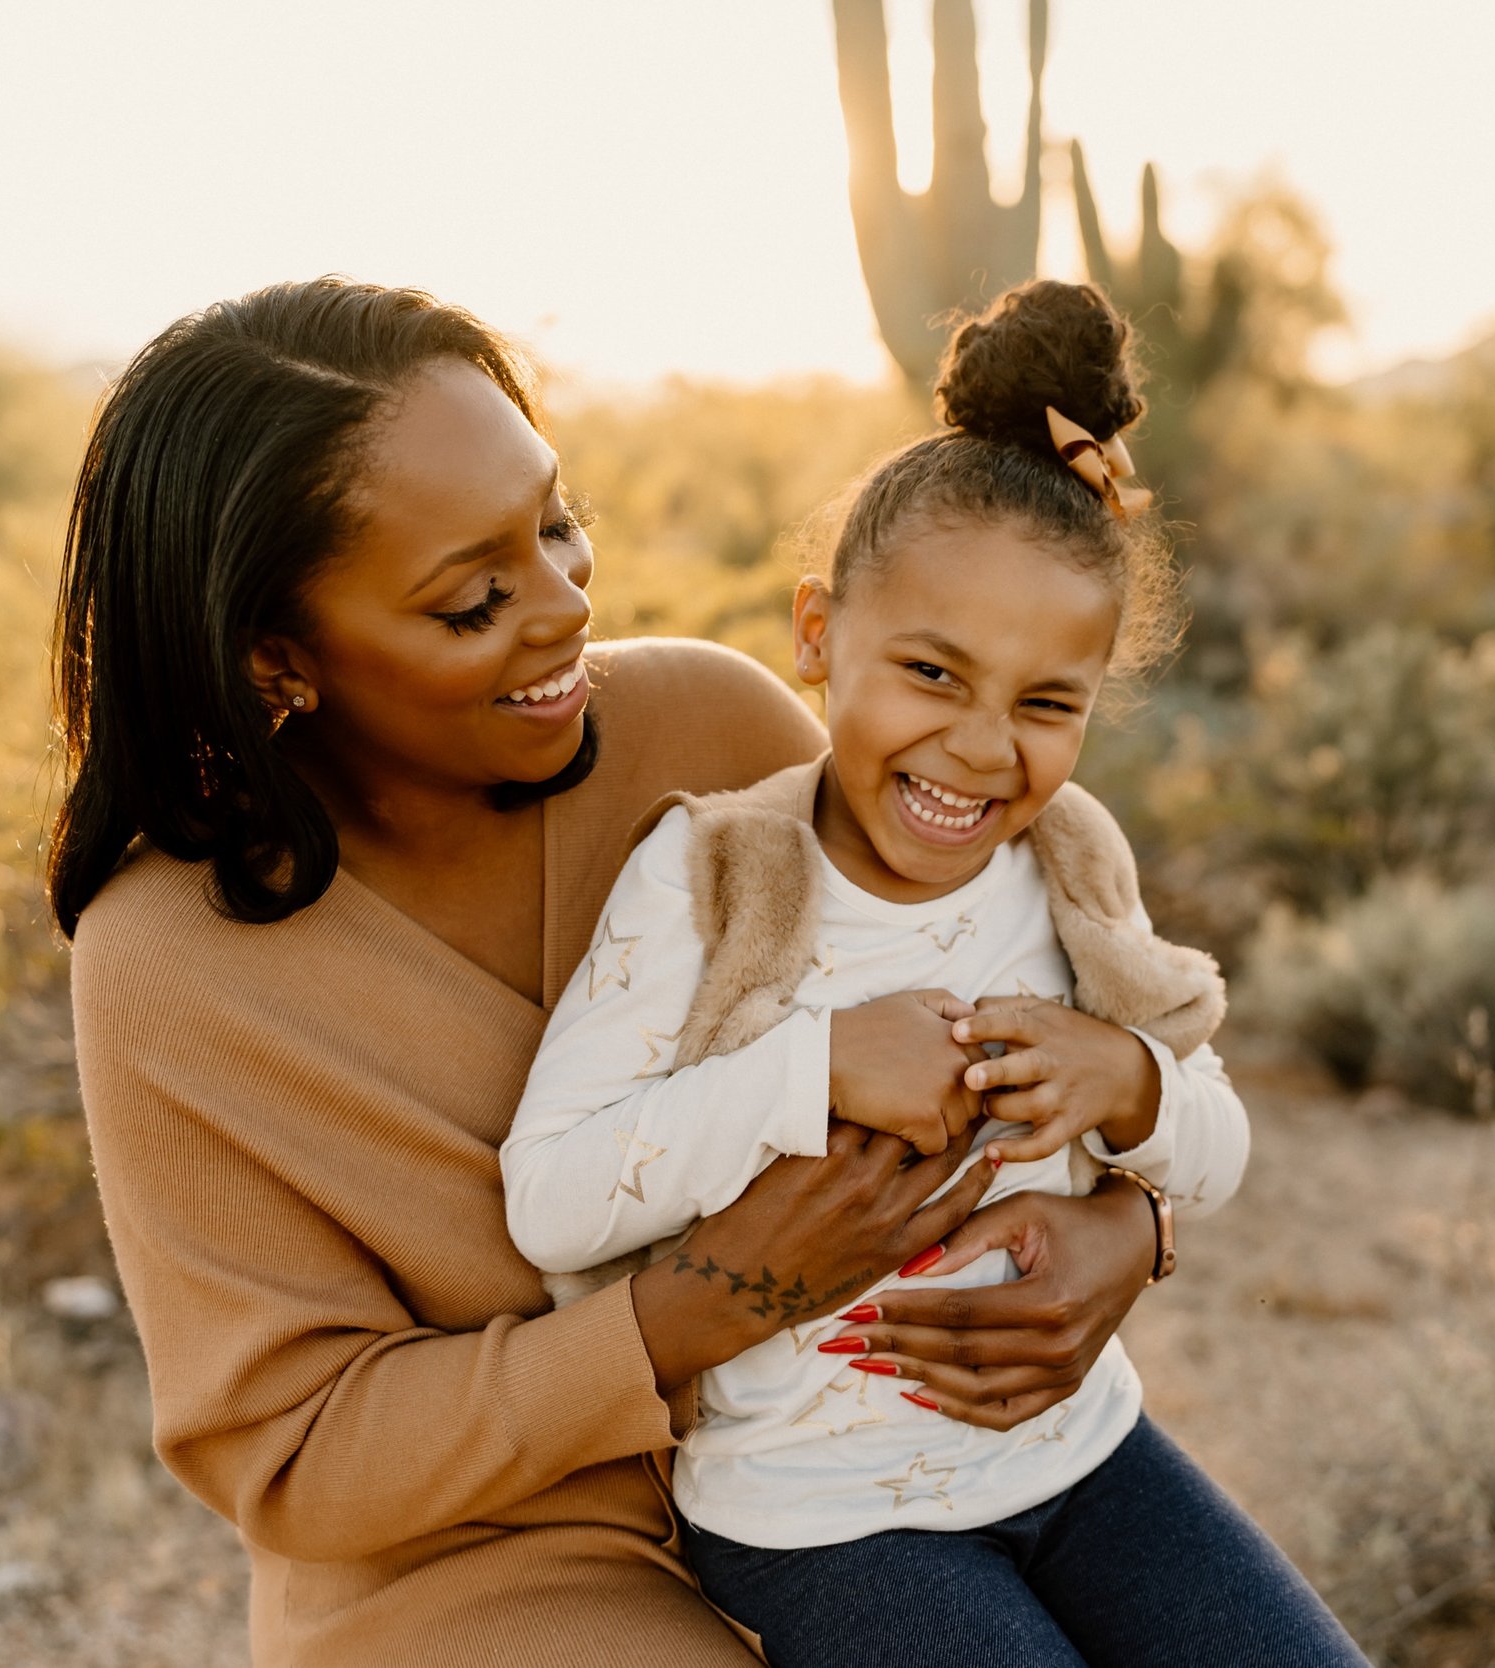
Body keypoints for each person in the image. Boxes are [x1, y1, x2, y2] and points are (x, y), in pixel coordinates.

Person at [51, 278, 1182, 1668]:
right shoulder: (172, 962)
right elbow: (298, 1455)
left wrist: (1129, 1229)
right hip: (486, 1576)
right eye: (477, 600)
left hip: (878, 1470)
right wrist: (689, 1316)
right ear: (277, 656)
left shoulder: (712, 725)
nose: (566, 604)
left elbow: (1030, 988)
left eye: (558, 526)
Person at [499, 281, 1368, 1667]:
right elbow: (549, 1202)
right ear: (817, 635)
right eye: (931, 672)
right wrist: (815, 1066)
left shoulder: (1072, 866)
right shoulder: (715, 880)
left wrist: (1131, 1082)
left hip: (1083, 1457)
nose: (978, 747)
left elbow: (1215, 1154)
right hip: (821, 1517)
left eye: (1044, 704)